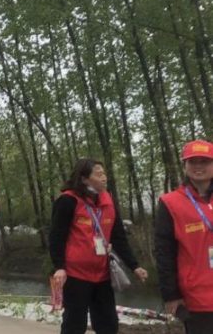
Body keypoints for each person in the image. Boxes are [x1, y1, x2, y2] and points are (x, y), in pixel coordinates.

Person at [49, 158, 148, 334]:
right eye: (98, 174)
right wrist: (59, 267)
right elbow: (56, 237)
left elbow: (119, 237)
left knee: (108, 324)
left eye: (104, 173)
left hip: (102, 274)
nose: (104, 177)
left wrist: (134, 266)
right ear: (84, 179)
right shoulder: (68, 201)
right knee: (74, 324)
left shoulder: (108, 201)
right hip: (75, 275)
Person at [155, 139, 213, 334]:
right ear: (185, 166)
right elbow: (164, 253)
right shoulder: (170, 203)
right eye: (192, 161)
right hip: (197, 298)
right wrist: (171, 295)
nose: (198, 166)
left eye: (204, 161)